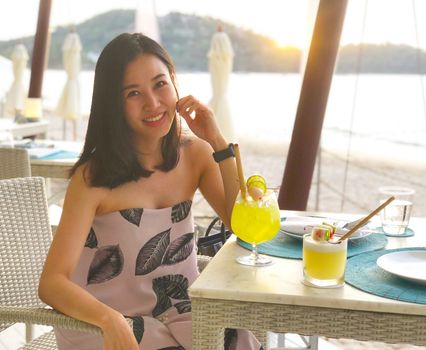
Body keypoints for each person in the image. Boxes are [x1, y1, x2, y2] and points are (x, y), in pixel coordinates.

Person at [39, 33, 262, 350]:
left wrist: (219, 143)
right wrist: (109, 320)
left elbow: (244, 225)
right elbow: (51, 283)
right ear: (113, 104)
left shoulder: (195, 155)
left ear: (174, 83)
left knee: (238, 340)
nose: (153, 103)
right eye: (133, 93)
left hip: (179, 312)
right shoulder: (93, 178)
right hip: (105, 322)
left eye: (160, 84)